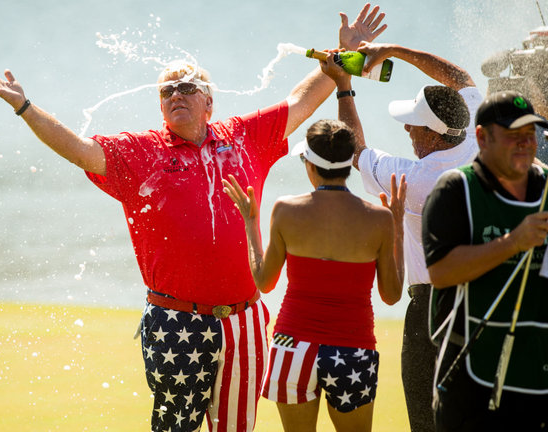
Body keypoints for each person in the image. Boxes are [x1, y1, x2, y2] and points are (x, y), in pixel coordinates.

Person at [0, 5, 387, 431]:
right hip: (175, 321)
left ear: (209, 101)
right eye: (167, 91)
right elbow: (78, 149)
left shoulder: (244, 136)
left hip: (244, 320)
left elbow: (302, 101)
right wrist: (25, 107)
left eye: (187, 87)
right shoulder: (139, 151)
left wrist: (342, 55)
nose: (176, 94)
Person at [221, 50, 406, 431]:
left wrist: (251, 221)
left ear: (309, 163)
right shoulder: (379, 218)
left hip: (293, 347)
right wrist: (398, 224)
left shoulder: (287, 210)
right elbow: (391, 295)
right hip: (352, 350)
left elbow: (263, 281)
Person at [338, 41, 482, 432]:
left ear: (434, 136)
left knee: (425, 417)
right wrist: (396, 50)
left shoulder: (417, 179)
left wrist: (343, 87)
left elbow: (354, 151)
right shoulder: (474, 138)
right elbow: (460, 79)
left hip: (433, 308)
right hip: (486, 301)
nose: (405, 128)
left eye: (414, 125)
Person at [422, 91, 548, 431]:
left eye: (529, 135)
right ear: (482, 137)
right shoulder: (454, 188)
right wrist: (514, 242)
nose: (524, 143)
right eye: (512, 135)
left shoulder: (547, 188)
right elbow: (441, 272)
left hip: (538, 369)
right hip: (471, 374)